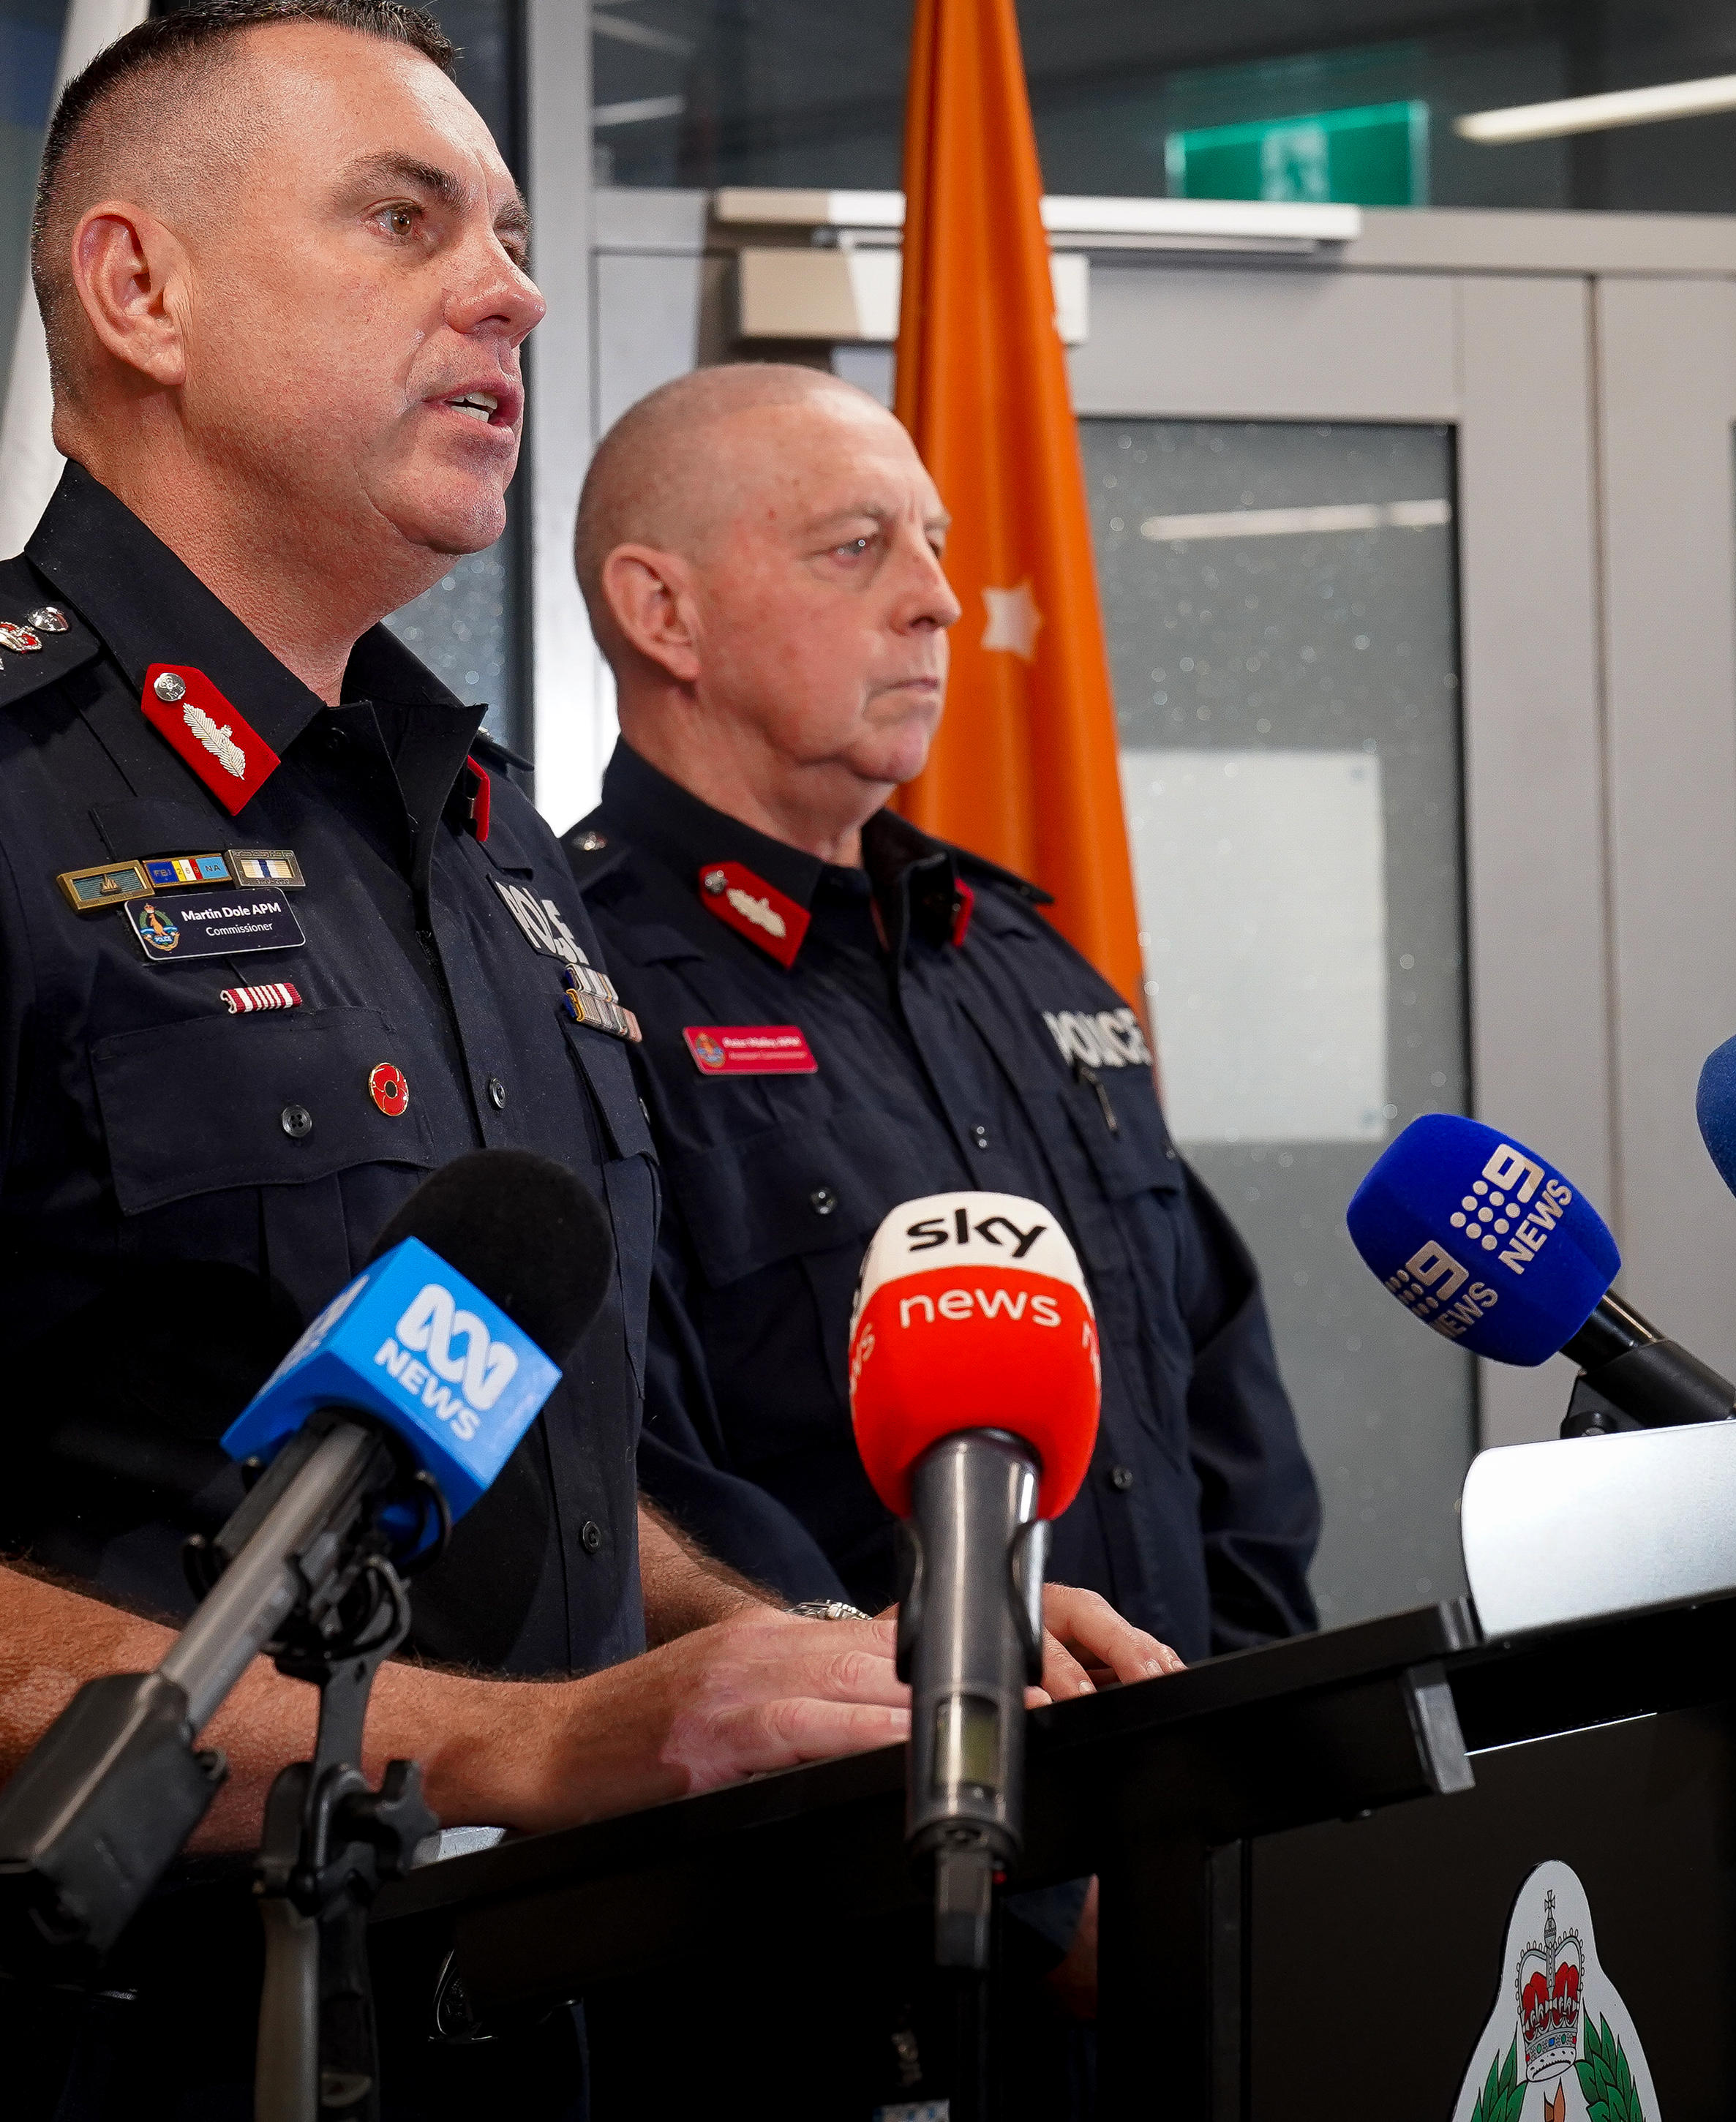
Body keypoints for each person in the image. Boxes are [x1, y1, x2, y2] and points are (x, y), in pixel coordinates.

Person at [0, 0, 1151, 2121]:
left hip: (521, 2026)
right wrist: (536, 1742)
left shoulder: (479, 839)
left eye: (509, 235)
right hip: (110, 2047)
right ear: (141, 286)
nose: (508, 289)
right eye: (408, 217)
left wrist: (831, 1643)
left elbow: (508, 1448)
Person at [562, 363, 1327, 2083]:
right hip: (821, 1979)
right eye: (855, 546)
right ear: (658, 607)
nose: (937, 598)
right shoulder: (571, 988)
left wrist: (1261, 1795)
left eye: (936, 542)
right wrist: (1046, 1908)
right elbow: (632, 1505)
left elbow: (1219, 1419)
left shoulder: (1024, 958)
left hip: (1176, 1921)